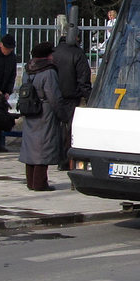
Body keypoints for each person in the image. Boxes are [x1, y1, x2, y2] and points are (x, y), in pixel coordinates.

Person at [19, 41, 63, 191]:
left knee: (30, 147)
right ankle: (40, 183)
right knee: (43, 147)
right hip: (45, 112)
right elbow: (54, 96)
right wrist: (62, 114)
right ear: (48, 55)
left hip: (29, 111)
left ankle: (30, 181)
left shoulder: (27, 70)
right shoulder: (49, 72)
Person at [52, 16, 92, 171]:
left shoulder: (54, 52)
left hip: (54, 96)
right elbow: (84, 80)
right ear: (76, 37)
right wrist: (90, 98)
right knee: (69, 130)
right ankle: (66, 160)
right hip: (71, 97)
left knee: (56, 128)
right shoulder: (78, 53)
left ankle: (56, 157)